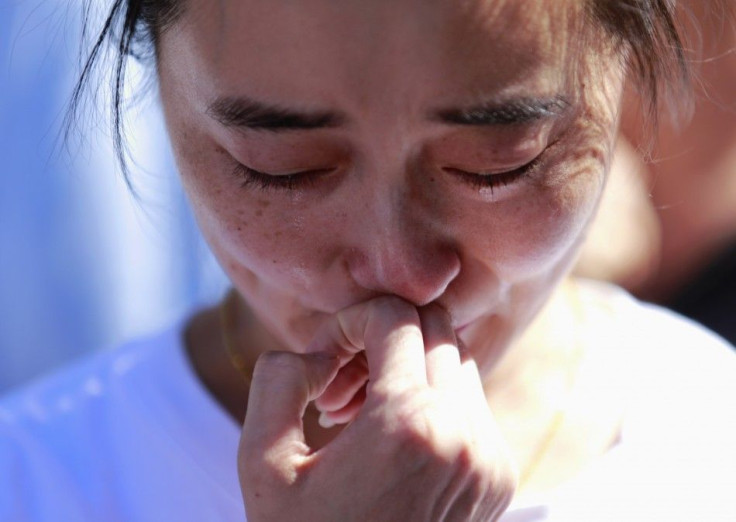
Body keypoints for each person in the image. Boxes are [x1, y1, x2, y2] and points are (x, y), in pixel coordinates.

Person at [1, 1, 735, 520]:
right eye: (282, 167)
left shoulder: (711, 443)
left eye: (498, 164)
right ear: (156, 80)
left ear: (628, 68)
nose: (400, 271)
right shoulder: (34, 481)